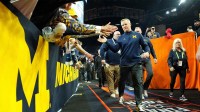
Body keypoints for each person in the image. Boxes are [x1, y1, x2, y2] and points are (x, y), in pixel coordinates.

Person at [98, 18, 150, 111]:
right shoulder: (121, 38)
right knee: (122, 82)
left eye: (125, 24)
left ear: (130, 24)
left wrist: (147, 52)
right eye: (122, 25)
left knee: (138, 82)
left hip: (136, 62)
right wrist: (106, 41)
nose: (124, 26)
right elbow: (114, 49)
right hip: (124, 64)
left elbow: (145, 45)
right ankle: (121, 95)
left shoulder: (137, 35)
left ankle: (139, 104)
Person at [135, 27, 157, 98]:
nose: (137, 32)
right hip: (138, 60)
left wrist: (155, 57)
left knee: (150, 73)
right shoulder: (133, 40)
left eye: (138, 31)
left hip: (147, 59)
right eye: (136, 31)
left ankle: (145, 88)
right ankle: (141, 93)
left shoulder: (146, 39)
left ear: (141, 31)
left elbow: (151, 48)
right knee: (140, 77)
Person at [100, 31, 121, 98]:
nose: (119, 35)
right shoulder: (108, 41)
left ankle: (115, 88)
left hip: (119, 63)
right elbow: (102, 49)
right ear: (113, 35)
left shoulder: (121, 42)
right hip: (109, 63)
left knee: (119, 78)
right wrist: (103, 58)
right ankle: (112, 92)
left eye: (120, 34)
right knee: (110, 78)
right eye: (117, 34)